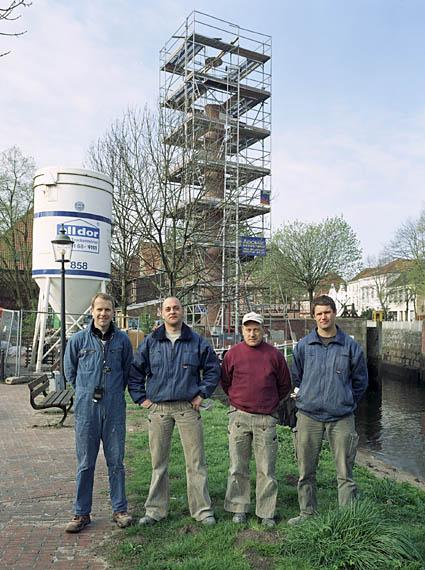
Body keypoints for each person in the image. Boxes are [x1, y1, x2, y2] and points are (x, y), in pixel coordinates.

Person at [128, 297, 221, 526]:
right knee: (158, 463)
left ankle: (202, 511)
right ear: (161, 313)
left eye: (176, 308)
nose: (172, 312)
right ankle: (155, 511)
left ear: (182, 312)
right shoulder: (150, 342)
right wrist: (141, 399)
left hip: (187, 408)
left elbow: (212, 369)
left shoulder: (196, 341)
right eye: (168, 309)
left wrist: (202, 394)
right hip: (158, 409)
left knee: (196, 462)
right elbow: (136, 372)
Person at [288, 295, 368, 525]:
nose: (324, 317)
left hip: (341, 417)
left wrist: (347, 402)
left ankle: (347, 519)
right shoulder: (304, 346)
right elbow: (297, 376)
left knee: (345, 472)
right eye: (319, 313)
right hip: (308, 416)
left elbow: (361, 380)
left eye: (328, 312)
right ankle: (307, 514)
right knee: (306, 470)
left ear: (335, 313)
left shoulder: (350, 346)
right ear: (314, 317)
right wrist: (306, 397)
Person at [64, 293, 133, 533]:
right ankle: (81, 513)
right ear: (92, 311)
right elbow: (69, 371)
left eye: (108, 310)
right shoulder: (78, 340)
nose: (103, 314)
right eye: (99, 309)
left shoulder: (123, 341)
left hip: (114, 409)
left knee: (116, 461)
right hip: (86, 410)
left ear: (114, 312)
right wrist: (84, 392)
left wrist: (113, 393)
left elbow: (127, 371)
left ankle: (120, 509)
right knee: (85, 463)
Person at [220, 312, 291, 527]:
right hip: (240, 417)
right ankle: (238, 508)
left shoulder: (274, 356)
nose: (252, 333)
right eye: (248, 329)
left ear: (263, 331)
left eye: (256, 329)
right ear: (242, 331)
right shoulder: (232, 354)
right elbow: (225, 381)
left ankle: (266, 511)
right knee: (238, 466)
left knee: (266, 468)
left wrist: (268, 404)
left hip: (265, 419)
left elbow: (284, 385)